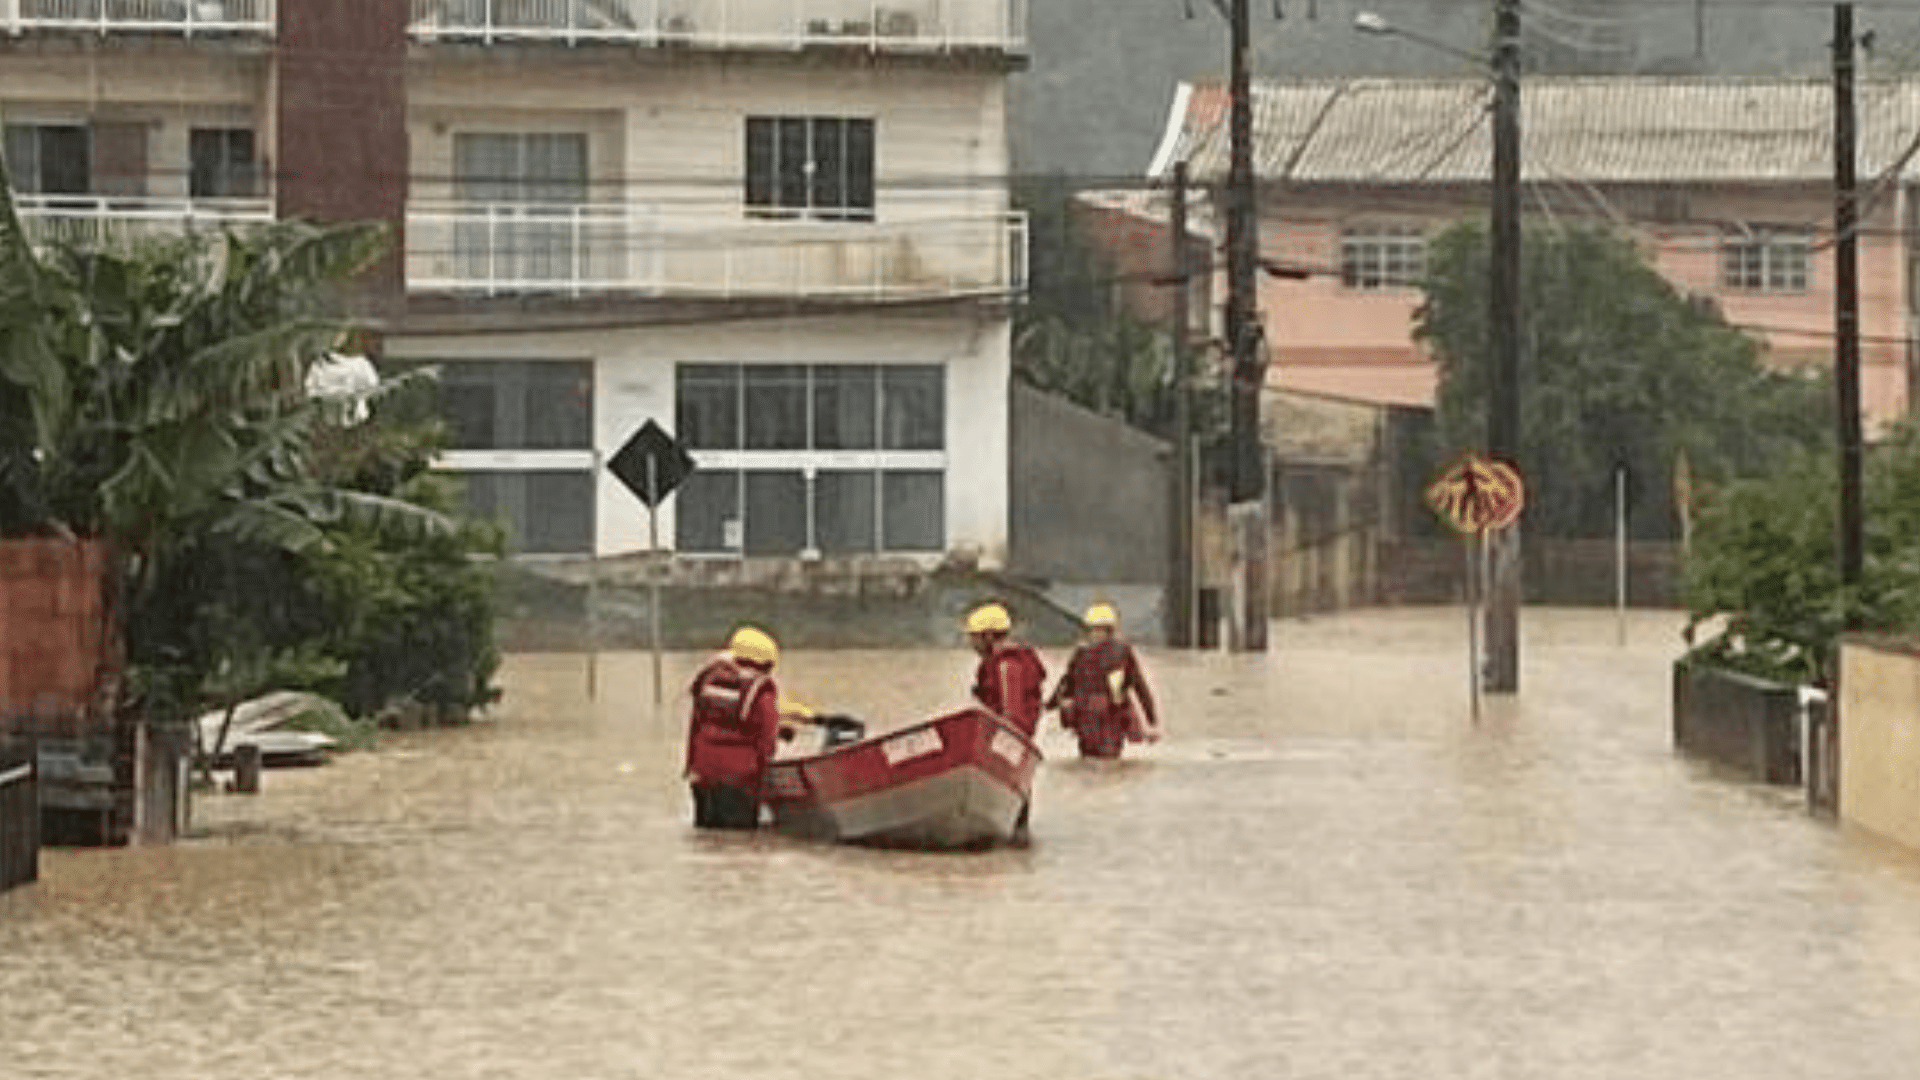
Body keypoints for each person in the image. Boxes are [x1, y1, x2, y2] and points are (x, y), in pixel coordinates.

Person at [683, 626, 784, 829]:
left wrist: (690, 765)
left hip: (703, 773)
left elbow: (697, 725)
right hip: (739, 777)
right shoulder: (760, 689)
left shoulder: (710, 680)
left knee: (708, 835)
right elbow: (767, 735)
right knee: (740, 839)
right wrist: (764, 772)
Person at [1046, 602, 1161, 760]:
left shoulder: (1081, 653)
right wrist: (1152, 721)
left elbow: (1065, 686)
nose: (1093, 634)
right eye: (1092, 630)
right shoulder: (1122, 652)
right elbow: (1140, 688)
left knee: (1089, 759)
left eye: (1095, 630)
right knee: (1109, 760)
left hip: (1088, 719)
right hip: (1110, 720)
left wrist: (1049, 705)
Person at [965, 602, 1047, 738]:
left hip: (1009, 738)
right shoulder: (999, 661)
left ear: (988, 635)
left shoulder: (1007, 665)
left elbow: (1013, 718)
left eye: (974, 636)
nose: (971, 643)